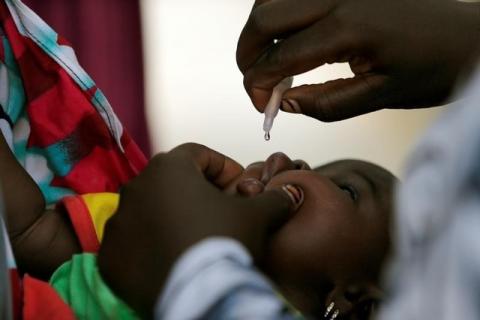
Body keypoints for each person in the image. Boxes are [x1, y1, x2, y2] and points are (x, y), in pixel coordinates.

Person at [48, 152, 396, 319]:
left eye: (346, 190)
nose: (297, 166)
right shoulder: (167, 222)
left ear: (357, 303)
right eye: (310, 165)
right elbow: (31, 233)